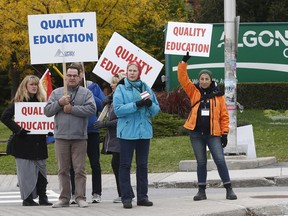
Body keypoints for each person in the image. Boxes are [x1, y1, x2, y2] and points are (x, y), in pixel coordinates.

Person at [177, 52, 237, 201]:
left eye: (206, 79)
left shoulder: (219, 96)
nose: (203, 81)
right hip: (196, 134)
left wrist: (224, 134)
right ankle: (201, 191)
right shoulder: (194, 91)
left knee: (220, 160)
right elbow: (182, 78)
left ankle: (229, 188)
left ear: (211, 80)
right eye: (201, 79)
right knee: (201, 162)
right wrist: (184, 62)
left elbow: (224, 116)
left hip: (213, 134)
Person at [44, 65, 96, 208]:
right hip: (61, 137)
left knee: (80, 169)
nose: (72, 78)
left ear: (79, 77)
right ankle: (64, 199)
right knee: (63, 170)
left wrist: (72, 109)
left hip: (79, 137)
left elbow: (92, 109)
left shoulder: (86, 93)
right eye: (69, 75)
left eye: (75, 75)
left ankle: (80, 197)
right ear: (65, 77)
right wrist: (60, 103)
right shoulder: (56, 93)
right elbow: (47, 111)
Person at [113, 61, 160, 209]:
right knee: (125, 165)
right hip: (127, 133)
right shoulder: (121, 88)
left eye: (135, 70)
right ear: (126, 72)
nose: (132, 73)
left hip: (144, 132)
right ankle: (126, 198)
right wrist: (136, 105)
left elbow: (156, 110)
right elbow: (118, 110)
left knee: (142, 165)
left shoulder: (144, 87)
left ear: (139, 73)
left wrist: (149, 105)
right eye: (130, 70)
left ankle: (142, 197)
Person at [0, 75, 52, 206]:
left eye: (36, 84)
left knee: (42, 171)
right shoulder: (19, 103)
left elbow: (46, 121)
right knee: (26, 173)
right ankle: (27, 199)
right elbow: (5, 117)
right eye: (31, 84)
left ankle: (43, 197)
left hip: (39, 143)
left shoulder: (42, 103)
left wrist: (49, 129)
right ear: (25, 86)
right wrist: (19, 129)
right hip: (23, 144)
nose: (34, 87)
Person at [94, 72, 135, 203]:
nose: (111, 85)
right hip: (114, 137)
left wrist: (104, 124)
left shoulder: (124, 98)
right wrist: (109, 97)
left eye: (114, 83)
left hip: (122, 136)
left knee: (120, 164)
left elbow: (121, 119)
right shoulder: (115, 97)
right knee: (117, 164)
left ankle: (126, 193)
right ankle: (124, 192)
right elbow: (102, 104)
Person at [69, 62, 105, 204]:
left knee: (94, 162)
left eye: (80, 72)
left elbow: (102, 104)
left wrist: (87, 93)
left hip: (91, 130)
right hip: (75, 131)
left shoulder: (93, 87)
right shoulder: (67, 89)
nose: (78, 75)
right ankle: (75, 193)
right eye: (75, 73)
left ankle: (97, 192)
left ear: (82, 73)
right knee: (74, 164)